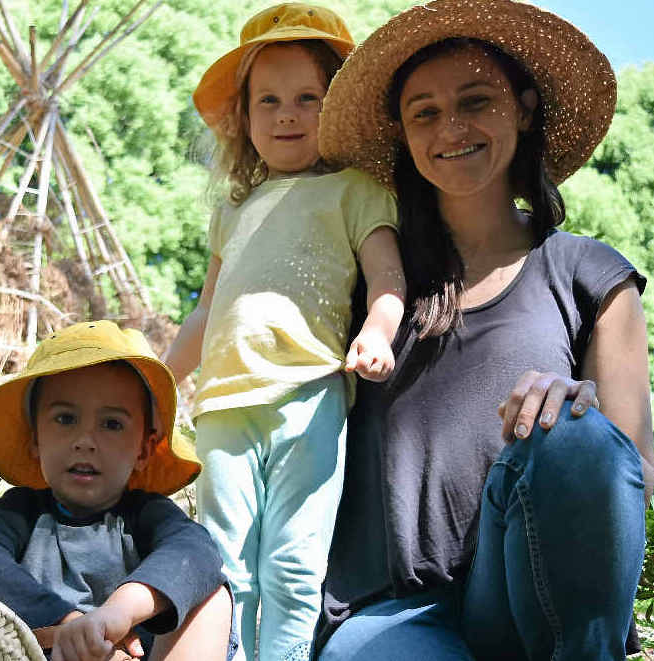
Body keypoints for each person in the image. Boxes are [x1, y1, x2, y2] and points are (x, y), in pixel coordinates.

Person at [313, 1, 654, 659]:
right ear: (402, 134)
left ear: (522, 109)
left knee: (579, 433)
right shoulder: (372, 279)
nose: (451, 127)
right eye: (425, 112)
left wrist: (575, 409)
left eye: (476, 101)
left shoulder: (593, 274)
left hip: (532, 591)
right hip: (391, 613)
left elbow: (634, 470)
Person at [163, 4, 405, 660]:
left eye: (308, 98)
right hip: (222, 405)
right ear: (242, 117)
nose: (287, 114)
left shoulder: (355, 191)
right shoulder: (232, 211)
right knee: (222, 558)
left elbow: (387, 280)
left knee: (294, 565)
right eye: (267, 100)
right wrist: (157, 385)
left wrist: (379, 332)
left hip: (310, 397)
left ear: (340, 111)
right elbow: (202, 313)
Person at [0, 320, 238, 661]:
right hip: (41, 651)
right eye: (65, 419)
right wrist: (67, 624)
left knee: (212, 594)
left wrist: (119, 613)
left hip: (134, 653)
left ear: (143, 449)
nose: (84, 441)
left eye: (111, 424)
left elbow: (196, 554)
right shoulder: (19, 513)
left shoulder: (146, 515)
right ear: (35, 439)